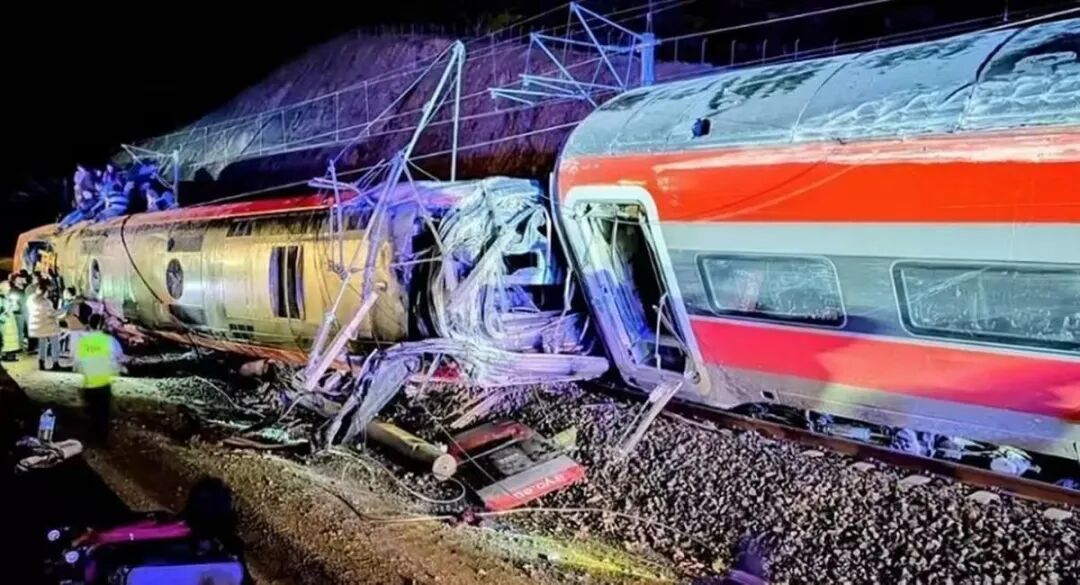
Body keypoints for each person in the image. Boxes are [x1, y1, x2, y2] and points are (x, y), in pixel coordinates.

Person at [76, 313, 123, 443]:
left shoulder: (83, 342)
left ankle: (91, 438)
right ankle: (101, 440)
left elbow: (77, 362)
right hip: (103, 383)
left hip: (89, 383)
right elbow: (119, 357)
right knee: (103, 414)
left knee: (91, 413)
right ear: (101, 325)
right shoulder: (108, 341)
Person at [27, 280, 62, 370]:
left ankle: (41, 363)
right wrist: (62, 311)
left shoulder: (31, 299)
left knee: (42, 344)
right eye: (48, 291)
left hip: (38, 326)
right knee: (55, 343)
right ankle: (55, 363)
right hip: (48, 326)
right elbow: (51, 314)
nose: (49, 294)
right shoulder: (45, 302)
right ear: (45, 291)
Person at [0, 282, 19, 361]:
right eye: (7, 286)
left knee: (12, 337)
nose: (9, 288)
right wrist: (6, 311)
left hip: (11, 320)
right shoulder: (1, 298)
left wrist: (14, 304)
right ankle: (6, 354)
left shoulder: (9, 296)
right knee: (5, 337)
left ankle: (10, 354)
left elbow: (16, 308)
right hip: (4, 321)